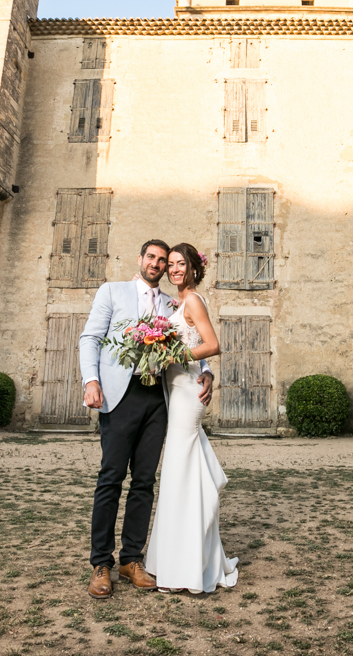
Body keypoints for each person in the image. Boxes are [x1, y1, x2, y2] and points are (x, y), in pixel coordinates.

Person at [79, 240, 214, 599]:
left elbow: (194, 335)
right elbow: (90, 337)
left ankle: (131, 559)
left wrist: (208, 371)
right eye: (152, 258)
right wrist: (90, 381)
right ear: (140, 259)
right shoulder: (112, 292)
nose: (157, 264)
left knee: (144, 481)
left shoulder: (173, 303)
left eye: (163, 260)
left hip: (158, 398)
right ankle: (101, 564)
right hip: (119, 395)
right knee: (110, 478)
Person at [145, 242, 239, 593]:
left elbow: (212, 344)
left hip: (187, 394)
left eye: (180, 264)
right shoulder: (178, 303)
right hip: (179, 391)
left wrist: (170, 355)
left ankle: (185, 566)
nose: (173, 269)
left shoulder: (194, 300)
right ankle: (182, 557)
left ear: (193, 268)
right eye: (170, 264)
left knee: (179, 473)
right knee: (180, 474)